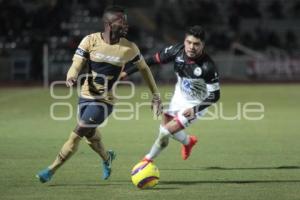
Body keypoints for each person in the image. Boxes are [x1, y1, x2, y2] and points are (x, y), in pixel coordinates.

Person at [36, 6, 162, 183]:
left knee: (78, 132)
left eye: (126, 21)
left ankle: (51, 169)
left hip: (104, 101)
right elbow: (77, 63)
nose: (126, 25)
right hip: (85, 95)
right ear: (108, 24)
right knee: (90, 134)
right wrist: (71, 76)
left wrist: (156, 95)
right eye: (121, 21)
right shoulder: (90, 40)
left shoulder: (129, 48)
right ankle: (106, 157)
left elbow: (145, 69)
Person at [123, 25, 220, 162]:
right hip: (179, 96)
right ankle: (188, 142)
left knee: (164, 132)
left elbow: (215, 96)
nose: (192, 47)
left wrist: (195, 109)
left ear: (202, 45)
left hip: (196, 104)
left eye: (196, 44)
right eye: (189, 42)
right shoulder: (177, 51)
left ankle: (146, 161)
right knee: (164, 127)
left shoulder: (207, 67)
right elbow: (150, 60)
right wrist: (127, 72)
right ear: (184, 41)